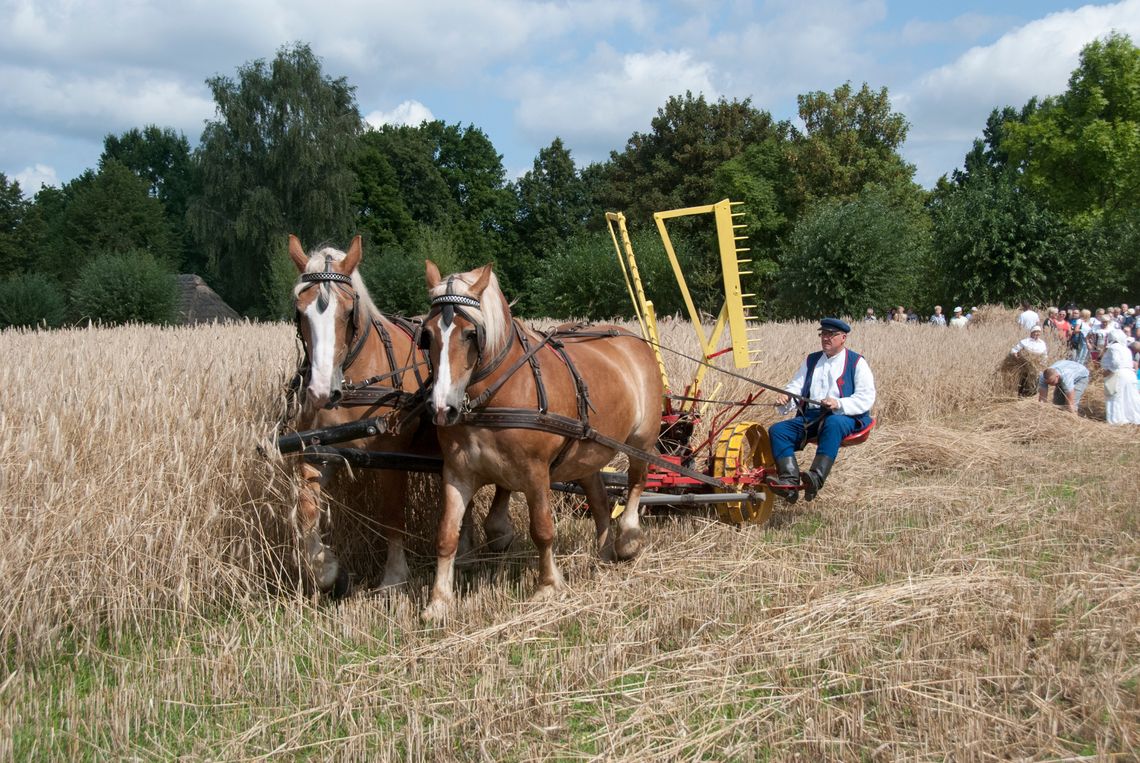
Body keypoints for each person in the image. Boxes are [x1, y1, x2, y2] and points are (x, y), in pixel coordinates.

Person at [766, 318, 876, 503]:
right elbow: (797, 386)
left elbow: (866, 397)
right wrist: (787, 397)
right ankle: (789, 482)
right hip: (811, 417)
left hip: (843, 417)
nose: (826, 338)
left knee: (833, 423)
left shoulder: (857, 362)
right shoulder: (811, 360)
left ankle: (815, 478)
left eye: (830, 335)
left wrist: (838, 403)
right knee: (778, 431)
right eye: (823, 334)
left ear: (843, 337)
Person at [1101, 329, 1140, 424]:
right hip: (1130, 374)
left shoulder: (1113, 347)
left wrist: (1108, 371)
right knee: (1130, 397)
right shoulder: (1126, 349)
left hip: (1118, 375)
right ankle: (1133, 418)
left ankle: (1116, 420)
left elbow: (1116, 362)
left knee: (1115, 396)